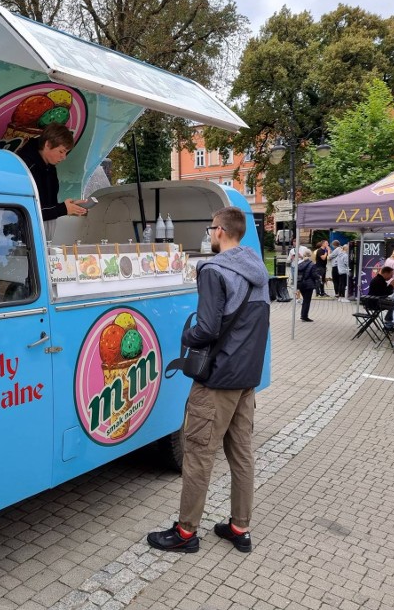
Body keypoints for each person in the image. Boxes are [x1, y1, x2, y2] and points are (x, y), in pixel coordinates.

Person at [147, 207, 269, 554]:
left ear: (219, 231)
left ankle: (186, 533)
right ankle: (239, 528)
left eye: (210, 227)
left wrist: (188, 338)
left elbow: (209, 328)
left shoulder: (213, 269)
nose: (210, 232)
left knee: (199, 453)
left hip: (217, 380)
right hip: (246, 378)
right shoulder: (256, 267)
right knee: (242, 454)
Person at [16, 123, 86, 238]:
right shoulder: (25, 168)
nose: (64, 157)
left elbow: (47, 206)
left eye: (66, 152)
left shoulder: (50, 169)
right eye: (61, 151)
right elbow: (25, 210)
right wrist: (62, 209)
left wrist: (68, 207)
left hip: (42, 236)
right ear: (47, 144)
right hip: (22, 238)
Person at [296, 247, 320, 322]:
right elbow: (314, 275)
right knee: (307, 301)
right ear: (310, 255)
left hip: (301, 284)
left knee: (305, 300)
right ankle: (304, 316)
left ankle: (303, 315)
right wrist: (318, 276)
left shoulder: (300, 264)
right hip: (308, 284)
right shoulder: (312, 264)